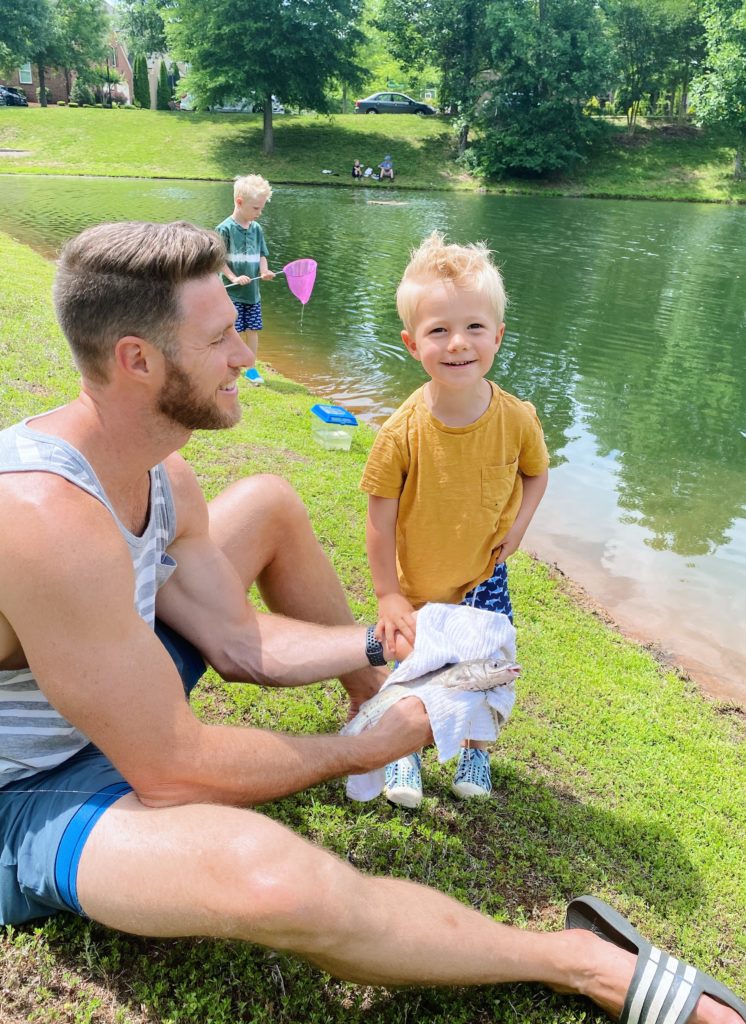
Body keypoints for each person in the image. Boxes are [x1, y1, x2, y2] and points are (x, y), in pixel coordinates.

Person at [0, 222, 743, 1024]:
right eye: (220, 339)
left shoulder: (160, 469)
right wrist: (367, 750)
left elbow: (236, 640)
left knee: (271, 501)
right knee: (273, 880)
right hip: (28, 791)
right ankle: (581, 962)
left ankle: (374, 691)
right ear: (138, 361)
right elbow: (173, 771)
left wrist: (394, 647)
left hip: (110, 682)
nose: (246, 356)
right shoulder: (46, 517)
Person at [361, 232, 549, 807]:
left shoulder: (517, 419)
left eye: (473, 327)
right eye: (438, 330)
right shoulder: (402, 432)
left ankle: (474, 751)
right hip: (418, 581)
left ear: (498, 335)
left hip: (483, 576)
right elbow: (379, 514)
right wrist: (388, 594)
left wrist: (517, 530)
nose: (458, 343)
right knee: (414, 671)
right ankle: (402, 756)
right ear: (411, 343)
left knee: (488, 666)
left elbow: (535, 475)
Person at [216, 173, 276, 385]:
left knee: (253, 330)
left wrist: (265, 271)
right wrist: (233, 276)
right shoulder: (225, 229)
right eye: (256, 208)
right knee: (234, 332)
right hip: (232, 293)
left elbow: (262, 254)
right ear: (239, 202)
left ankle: (251, 369)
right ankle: (228, 366)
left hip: (253, 294)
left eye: (261, 208)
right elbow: (219, 261)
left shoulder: (256, 229)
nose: (259, 213)